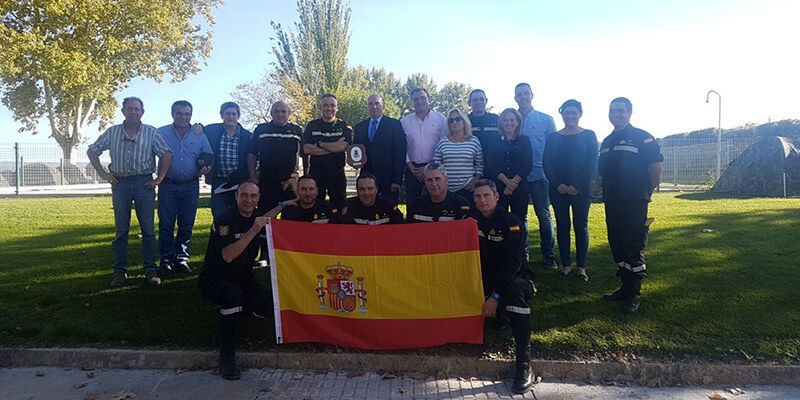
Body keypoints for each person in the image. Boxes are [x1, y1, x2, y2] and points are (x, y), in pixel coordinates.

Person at [87, 97, 173, 287]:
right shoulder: (112, 132)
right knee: (121, 230)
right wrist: (103, 174)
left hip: (144, 184)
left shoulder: (151, 132)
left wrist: (159, 178)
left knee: (148, 230)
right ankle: (120, 272)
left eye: (137, 109)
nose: (134, 112)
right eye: (130, 108)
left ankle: (150, 270)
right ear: (123, 111)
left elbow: (166, 153)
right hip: (121, 184)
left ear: (142, 112)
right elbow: (92, 151)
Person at [198, 181, 273, 380]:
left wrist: (284, 205)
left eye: (253, 196)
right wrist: (253, 231)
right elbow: (228, 256)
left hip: (244, 278)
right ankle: (227, 354)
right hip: (216, 279)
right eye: (244, 195)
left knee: (269, 308)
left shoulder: (255, 218)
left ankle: (240, 311)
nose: (248, 200)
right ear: (236, 196)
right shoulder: (226, 220)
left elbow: (269, 220)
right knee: (233, 296)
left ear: (258, 199)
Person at [598, 97, 663, 314]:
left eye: (620, 110)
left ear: (630, 112)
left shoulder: (643, 138)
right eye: (612, 110)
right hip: (612, 201)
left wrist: (648, 192)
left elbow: (656, 168)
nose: (616, 114)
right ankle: (624, 289)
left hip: (634, 200)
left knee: (633, 245)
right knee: (617, 243)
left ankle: (634, 294)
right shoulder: (607, 141)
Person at [469, 179, 534, 394]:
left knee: (513, 293)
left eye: (486, 195)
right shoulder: (469, 220)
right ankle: (500, 316)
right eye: (478, 196)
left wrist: (495, 296)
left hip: (515, 277)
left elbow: (512, 265)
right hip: (483, 279)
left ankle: (524, 364)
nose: (482, 200)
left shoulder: (511, 222)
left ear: (496, 197)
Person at [543, 99, 598, 282]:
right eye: (566, 112)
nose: (570, 116)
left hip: (581, 190)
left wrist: (577, 186)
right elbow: (547, 163)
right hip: (558, 189)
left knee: (580, 226)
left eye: (573, 112)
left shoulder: (589, 135)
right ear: (562, 114)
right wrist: (558, 184)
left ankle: (581, 267)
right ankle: (566, 265)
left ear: (580, 114)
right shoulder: (553, 137)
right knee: (563, 226)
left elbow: (592, 163)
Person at [157, 100, 213, 276]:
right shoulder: (161, 133)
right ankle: (165, 260)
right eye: (180, 113)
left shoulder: (199, 134)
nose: (183, 117)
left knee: (186, 225)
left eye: (187, 113)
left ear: (191, 115)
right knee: (166, 225)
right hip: (168, 186)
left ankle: (181, 259)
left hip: (190, 186)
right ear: (172, 114)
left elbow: (208, 155)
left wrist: (206, 166)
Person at [515, 82, 557, 269]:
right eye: (519, 94)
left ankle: (549, 255)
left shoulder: (546, 120)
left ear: (532, 95)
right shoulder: (509, 118)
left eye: (526, 93)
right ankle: (523, 254)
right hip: (517, 178)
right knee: (520, 217)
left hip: (540, 175)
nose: (523, 97)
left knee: (543, 214)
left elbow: (554, 150)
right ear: (515, 98)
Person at [203, 102, 253, 221]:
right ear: (222, 115)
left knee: (240, 212)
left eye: (234, 114)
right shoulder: (212, 130)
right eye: (227, 114)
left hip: (239, 181)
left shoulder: (247, 135)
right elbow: (198, 128)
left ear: (238, 116)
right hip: (219, 179)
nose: (231, 117)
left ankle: (240, 238)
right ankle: (220, 238)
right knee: (219, 214)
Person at [301, 94, 353, 210]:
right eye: (325, 105)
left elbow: (343, 147)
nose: (329, 108)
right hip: (316, 174)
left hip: (337, 175)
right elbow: (306, 149)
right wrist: (334, 147)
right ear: (321, 108)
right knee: (315, 208)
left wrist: (320, 144)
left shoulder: (344, 126)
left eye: (332, 105)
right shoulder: (312, 125)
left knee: (340, 209)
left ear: (337, 108)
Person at [353, 94, 407, 204]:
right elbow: (356, 150)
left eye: (377, 103)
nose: (374, 106)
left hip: (389, 179)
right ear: (367, 107)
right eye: (370, 104)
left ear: (383, 106)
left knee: (390, 210)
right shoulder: (359, 127)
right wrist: (355, 162)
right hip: (366, 178)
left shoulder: (394, 125)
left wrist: (396, 180)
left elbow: (400, 153)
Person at [484, 108, 532, 224]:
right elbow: (491, 164)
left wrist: (512, 184)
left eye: (512, 120)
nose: (509, 123)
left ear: (517, 122)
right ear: (501, 123)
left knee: (519, 220)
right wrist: (506, 182)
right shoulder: (494, 141)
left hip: (519, 187)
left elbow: (527, 165)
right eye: (505, 120)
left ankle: (520, 242)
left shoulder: (525, 140)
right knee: (499, 219)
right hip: (499, 187)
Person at [400, 88, 448, 202]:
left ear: (429, 99)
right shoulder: (404, 122)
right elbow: (402, 147)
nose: (419, 101)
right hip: (412, 170)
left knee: (435, 201)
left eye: (423, 98)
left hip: (435, 168)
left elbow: (443, 144)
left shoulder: (441, 119)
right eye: (415, 99)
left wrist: (427, 167)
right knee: (412, 203)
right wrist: (411, 167)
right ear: (412, 102)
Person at [432, 108, 484, 203]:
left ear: (464, 121)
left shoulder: (474, 141)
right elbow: (437, 166)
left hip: (467, 188)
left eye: (458, 119)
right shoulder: (443, 142)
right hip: (446, 190)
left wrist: (476, 180)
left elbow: (480, 164)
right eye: (451, 120)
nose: (454, 122)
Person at [406, 163, 471, 223]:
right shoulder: (417, 205)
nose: (434, 184)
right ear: (425, 183)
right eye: (429, 180)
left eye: (437, 179)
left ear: (446, 180)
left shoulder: (461, 204)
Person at [264, 175, 339, 223]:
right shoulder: (289, 210)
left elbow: (338, 230)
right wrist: (283, 204)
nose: (308, 193)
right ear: (297, 191)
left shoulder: (328, 207)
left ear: (317, 191)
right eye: (303, 189)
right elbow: (263, 221)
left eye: (311, 189)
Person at [339, 173, 404, 225]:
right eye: (362, 189)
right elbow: (343, 231)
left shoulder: (387, 205)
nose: (366, 193)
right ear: (357, 191)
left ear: (376, 190)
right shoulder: (349, 206)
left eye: (370, 189)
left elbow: (401, 227)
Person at [467, 89, 500, 159]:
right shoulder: (464, 121)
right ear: (469, 103)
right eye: (475, 100)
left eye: (481, 99)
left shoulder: (497, 119)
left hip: (494, 162)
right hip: (471, 164)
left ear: (486, 101)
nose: (479, 102)